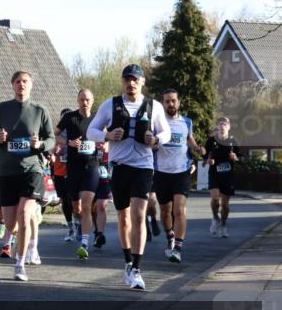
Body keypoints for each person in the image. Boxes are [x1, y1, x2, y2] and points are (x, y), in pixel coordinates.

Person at [86, 64, 171, 291]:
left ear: (142, 82)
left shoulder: (154, 106)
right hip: (119, 166)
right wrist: (107, 135)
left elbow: (166, 131)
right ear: (122, 81)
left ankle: (136, 269)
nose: (130, 83)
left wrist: (156, 140)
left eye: (135, 79)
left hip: (143, 167)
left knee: (139, 215)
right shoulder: (110, 105)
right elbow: (91, 131)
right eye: (127, 79)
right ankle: (127, 262)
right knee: (123, 218)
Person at [0, 71, 55, 281]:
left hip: (32, 169)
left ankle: (20, 263)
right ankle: (26, 242)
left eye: (25, 81)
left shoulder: (39, 110)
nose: (21, 85)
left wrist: (41, 145)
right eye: (18, 82)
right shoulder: (2, 109)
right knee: (11, 225)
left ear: (31, 85)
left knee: (25, 214)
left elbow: (51, 138)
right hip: (8, 171)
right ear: (12, 85)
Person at [154, 89, 203, 262]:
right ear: (163, 103)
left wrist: (197, 148)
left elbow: (190, 139)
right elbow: (151, 142)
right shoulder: (157, 123)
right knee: (166, 211)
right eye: (167, 101)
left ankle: (178, 248)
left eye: (173, 101)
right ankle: (170, 237)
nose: (170, 104)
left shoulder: (187, 122)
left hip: (181, 172)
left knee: (179, 209)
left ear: (178, 102)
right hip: (161, 172)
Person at [57, 90, 100, 260]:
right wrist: (69, 142)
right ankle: (80, 223)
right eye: (82, 99)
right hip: (73, 166)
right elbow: (54, 135)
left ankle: (84, 243)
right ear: (77, 100)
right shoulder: (69, 117)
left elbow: (108, 135)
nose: (85, 102)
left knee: (88, 204)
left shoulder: (98, 118)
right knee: (77, 207)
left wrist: (105, 145)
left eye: (88, 99)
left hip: (92, 165)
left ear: (92, 100)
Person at [204, 116, 241, 238]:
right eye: (220, 124)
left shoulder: (233, 141)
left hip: (227, 176)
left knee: (225, 205)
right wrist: (208, 161)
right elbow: (205, 156)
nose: (222, 126)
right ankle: (215, 217)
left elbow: (240, 157)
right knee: (215, 198)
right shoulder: (211, 141)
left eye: (225, 124)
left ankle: (224, 225)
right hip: (214, 174)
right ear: (217, 126)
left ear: (229, 127)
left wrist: (235, 157)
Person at [52, 109, 74, 242]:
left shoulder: (75, 132)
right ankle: (71, 227)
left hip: (74, 171)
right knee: (65, 200)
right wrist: (54, 150)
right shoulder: (56, 135)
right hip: (59, 171)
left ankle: (78, 224)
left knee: (75, 200)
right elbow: (50, 149)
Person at [92, 142, 113, 248]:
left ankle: (100, 234)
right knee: (93, 209)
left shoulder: (113, 133)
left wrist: (108, 148)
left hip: (106, 178)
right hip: (92, 174)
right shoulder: (91, 132)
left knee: (101, 205)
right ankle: (96, 230)